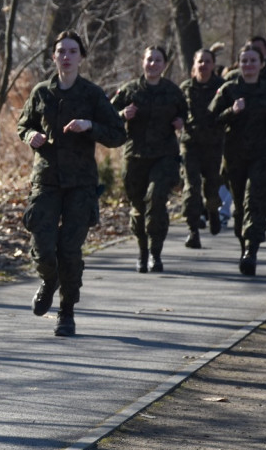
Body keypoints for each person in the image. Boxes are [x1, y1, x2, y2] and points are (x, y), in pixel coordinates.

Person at [17, 31, 125, 336]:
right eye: (61, 51)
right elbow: (22, 124)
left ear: (81, 57)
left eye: (72, 51)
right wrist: (30, 136)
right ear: (53, 56)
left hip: (80, 184)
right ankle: (49, 280)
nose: (66, 56)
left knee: (69, 250)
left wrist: (90, 125)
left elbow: (118, 133)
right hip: (47, 180)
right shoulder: (41, 92)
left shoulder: (92, 94)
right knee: (42, 244)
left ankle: (66, 311)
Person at [209, 45, 266, 275]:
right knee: (241, 207)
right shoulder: (229, 90)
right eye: (244, 61)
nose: (248, 65)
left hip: (264, 156)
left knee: (255, 201)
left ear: (262, 64)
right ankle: (245, 245)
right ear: (239, 64)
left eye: (253, 61)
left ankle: (251, 251)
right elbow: (212, 119)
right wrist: (232, 111)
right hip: (235, 158)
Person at [112, 46, 187, 272]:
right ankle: (142, 252)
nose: (153, 64)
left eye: (157, 60)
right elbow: (107, 115)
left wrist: (181, 122)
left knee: (155, 201)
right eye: (149, 60)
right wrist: (122, 115)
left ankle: (156, 253)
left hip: (164, 156)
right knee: (138, 207)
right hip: (135, 156)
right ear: (142, 62)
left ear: (164, 64)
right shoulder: (129, 90)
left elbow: (186, 113)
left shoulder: (173, 91)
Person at [178, 49, 225, 248]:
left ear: (213, 65)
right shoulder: (186, 88)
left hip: (214, 145)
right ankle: (193, 230)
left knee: (212, 187)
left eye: (207, 62)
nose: (203, 65)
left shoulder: (222, 88)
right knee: (191, 187)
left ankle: (213, 211)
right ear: (194, 64)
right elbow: (176, 109)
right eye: (200, 61)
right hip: (190, 144)